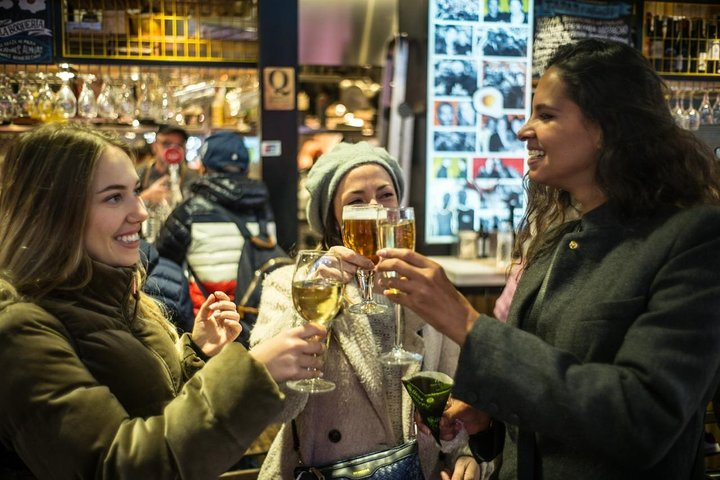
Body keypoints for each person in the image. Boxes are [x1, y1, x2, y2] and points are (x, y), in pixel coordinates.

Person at [377, 38, 720, 479]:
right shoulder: (559, 238)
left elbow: (643, 420)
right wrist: (491, 419)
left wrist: (468, 325)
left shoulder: (692, 239)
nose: (524, 129)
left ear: (606, 127)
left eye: (547, 115)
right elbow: (551, 398)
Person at [0, 123, 329, 479]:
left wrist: (196, 354)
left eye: (135, 192)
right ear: (54, 212)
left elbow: (157, 412)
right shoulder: (18, 329)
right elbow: (119, 467)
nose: (140, 212)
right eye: (114, 197)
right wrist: (251, 374)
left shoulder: (118, 295)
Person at [250, 142, 493, 480]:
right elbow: (275, 406)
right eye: (357, 201)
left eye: (386, 195)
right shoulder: (290, 285)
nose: (376, 208)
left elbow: (453, 396)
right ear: (334, 220)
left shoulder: (427, 286)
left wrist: (464, 456)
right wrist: (314, 309)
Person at [155, 131, 277, 315]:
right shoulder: (263, 205)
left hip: (208, 319)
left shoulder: (189, 210)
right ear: (246, 169)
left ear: (203, 168)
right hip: (255, 315)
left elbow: (161, 260)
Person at [137, 124, 200, 206]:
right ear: (154, 146)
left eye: (179, 145)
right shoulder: (139, 174)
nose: (173, 149)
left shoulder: (194, 178)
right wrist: (144, 197)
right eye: (166, 144)